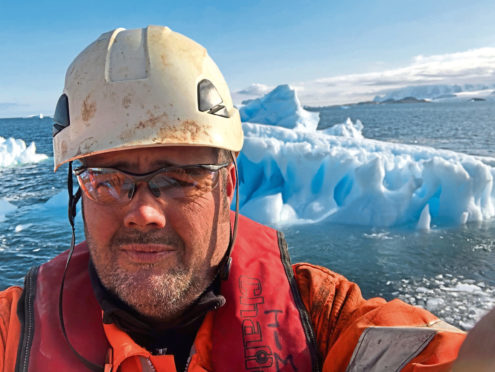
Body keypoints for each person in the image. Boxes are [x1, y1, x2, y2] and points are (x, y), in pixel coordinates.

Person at [0, 25, 476, 372]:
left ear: (227, 186)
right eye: (105, 180)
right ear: (78, 194)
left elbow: (431, 355)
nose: (142, 212)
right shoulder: (14, 331)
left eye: (182, 177)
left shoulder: (321, 319)